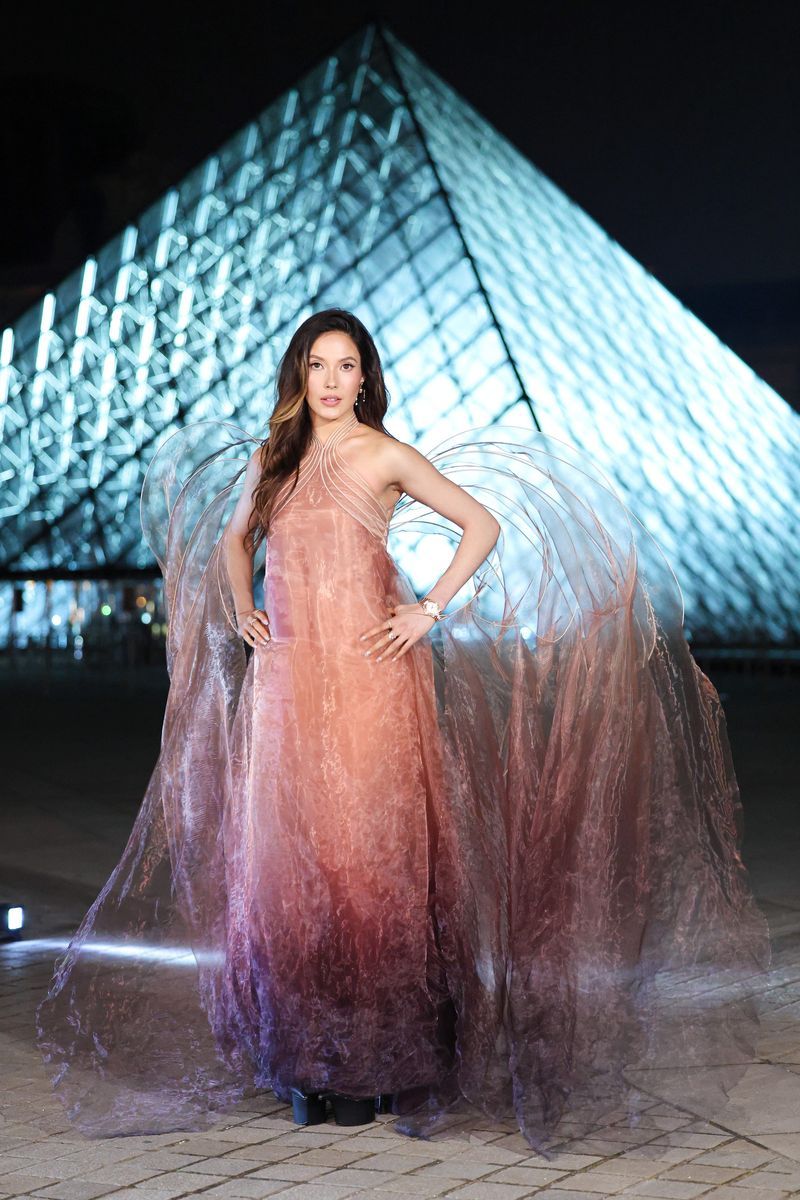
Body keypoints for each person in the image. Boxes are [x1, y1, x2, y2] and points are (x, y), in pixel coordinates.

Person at [35, 308, 771, 1158]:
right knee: (291, 871)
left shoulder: (384, 454)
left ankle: (369, 1063)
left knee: (365, 869)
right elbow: (236, 543)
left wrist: (429, 608)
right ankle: (305, 1060)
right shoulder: (272, 461)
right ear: (299, 374)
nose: (332, 380)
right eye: (318, 364)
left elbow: (481, 524)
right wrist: (241, 606)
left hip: (370, 684)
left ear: (365, 377)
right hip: (289, 688)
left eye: (346, 365)